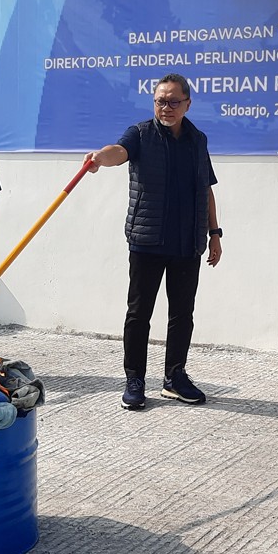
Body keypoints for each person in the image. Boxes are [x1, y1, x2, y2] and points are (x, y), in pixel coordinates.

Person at [83, 73, 223, 410]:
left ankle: (175, 378)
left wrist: (214, 233)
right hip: (147, 241)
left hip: (187, 243)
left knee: (182, 314)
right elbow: (119, 151)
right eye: (161, 100)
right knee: (139, 314)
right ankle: (135, 380)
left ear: (187, 104)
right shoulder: (141, 134)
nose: (167, 107)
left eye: (174, 101)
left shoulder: (197, 140)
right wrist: (101, 157)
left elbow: (206, 189)